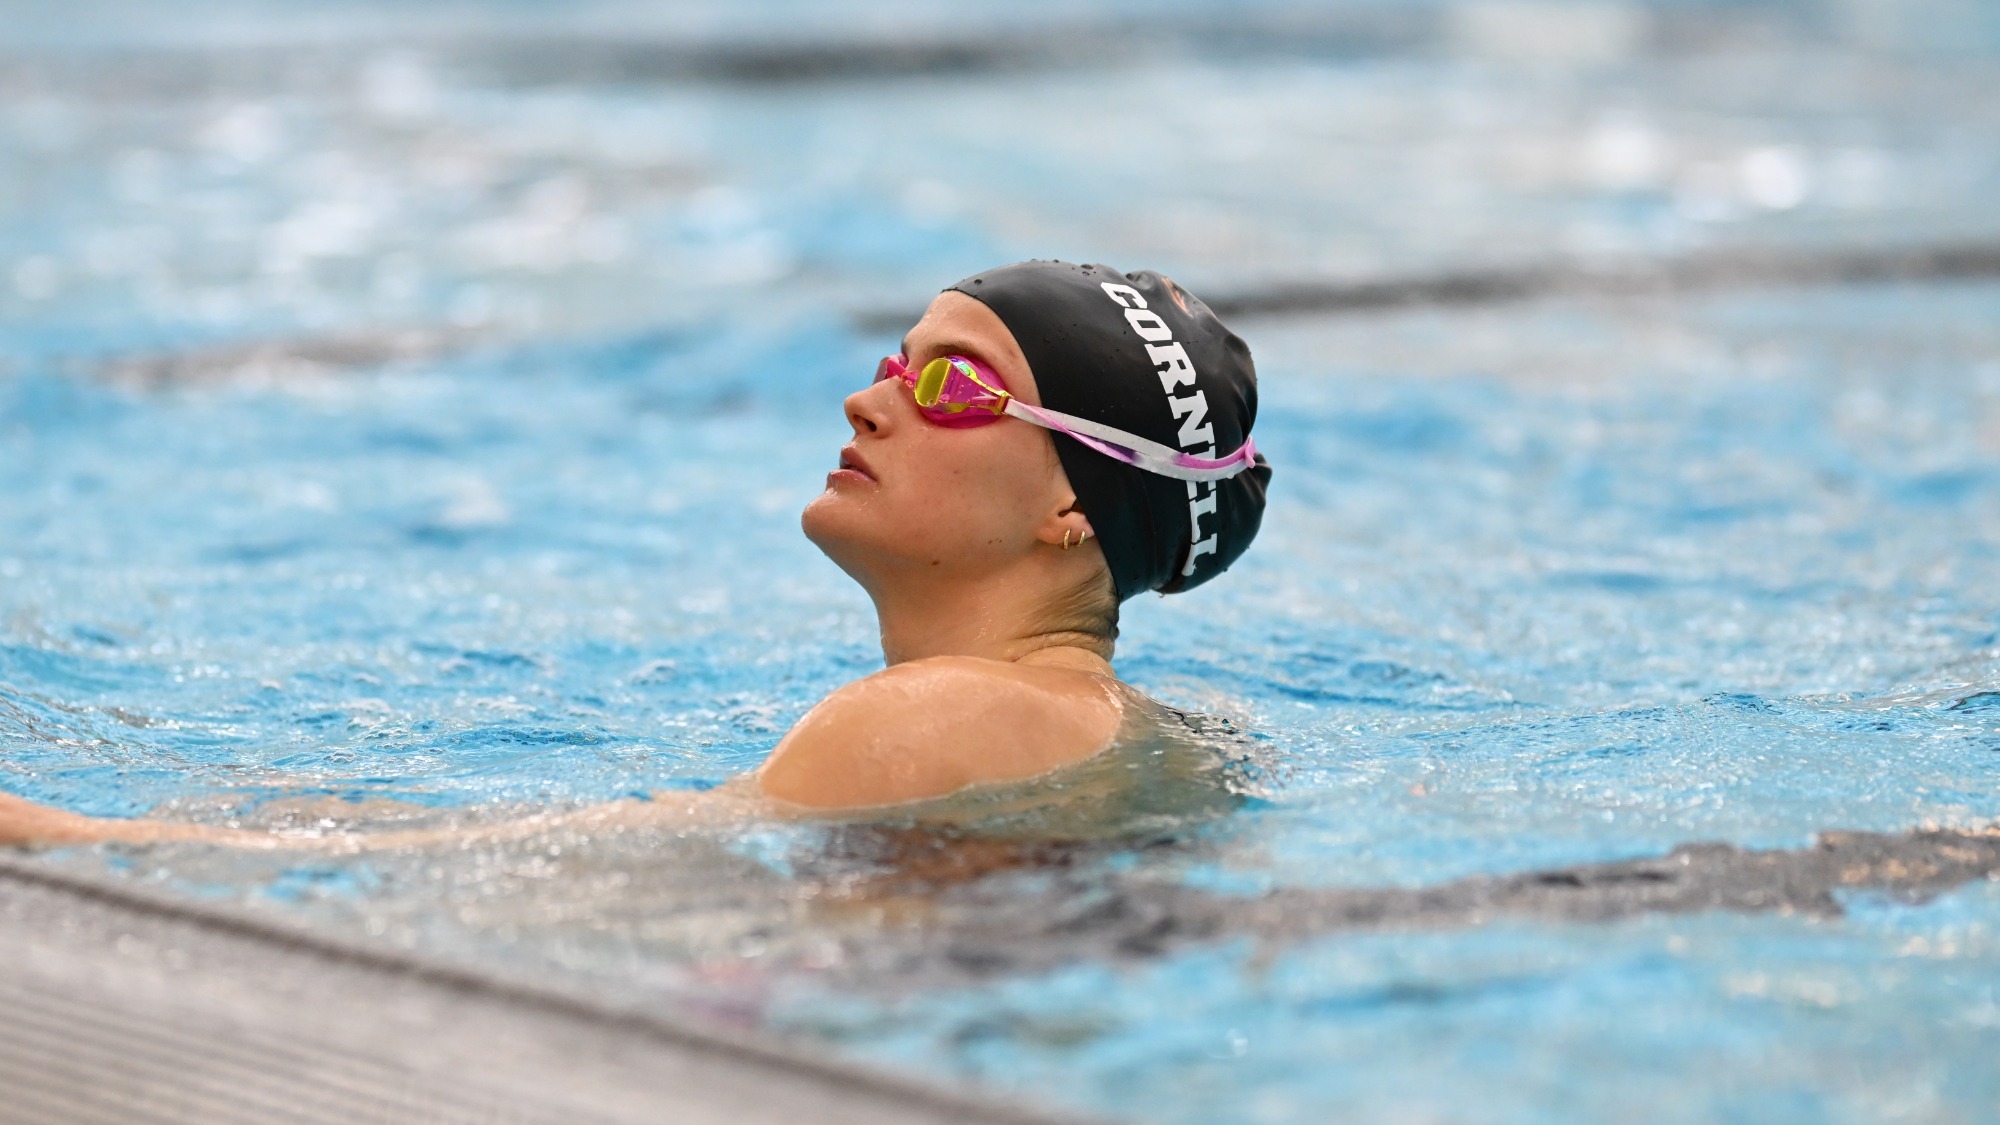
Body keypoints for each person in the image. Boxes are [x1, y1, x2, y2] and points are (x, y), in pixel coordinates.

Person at [0, 261, 1270, 850]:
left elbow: (550, 879)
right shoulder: (1125, 723)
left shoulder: (933, 714)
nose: (864, 402)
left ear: (1074, 503)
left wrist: (61, 836)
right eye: (893, 360)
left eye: (948, 384)